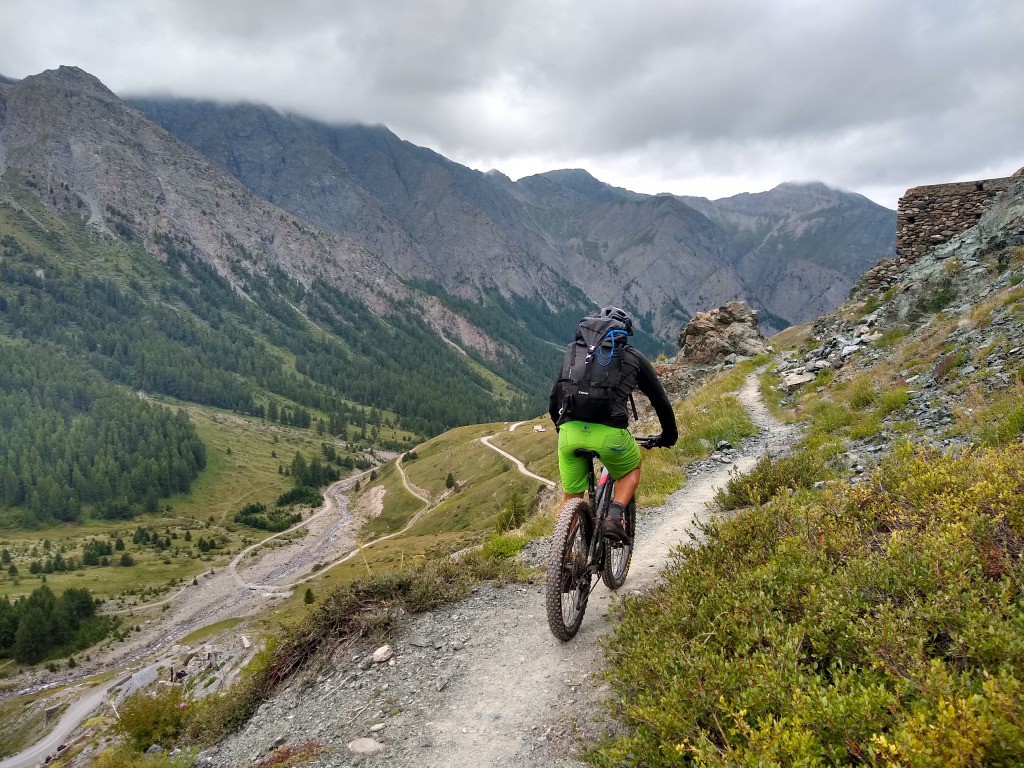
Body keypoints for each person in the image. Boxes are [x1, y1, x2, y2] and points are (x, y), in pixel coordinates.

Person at [548, 306, 678, 542]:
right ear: (624, 333)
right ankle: (614, 517)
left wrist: (561, 426)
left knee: (572, 497)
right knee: (631, 469)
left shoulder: (575, 352)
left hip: (569, 432)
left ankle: (562, 558)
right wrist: (669, 435)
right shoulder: (632, 356)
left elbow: (556, 395)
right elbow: (659, 400)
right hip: (610, 435)